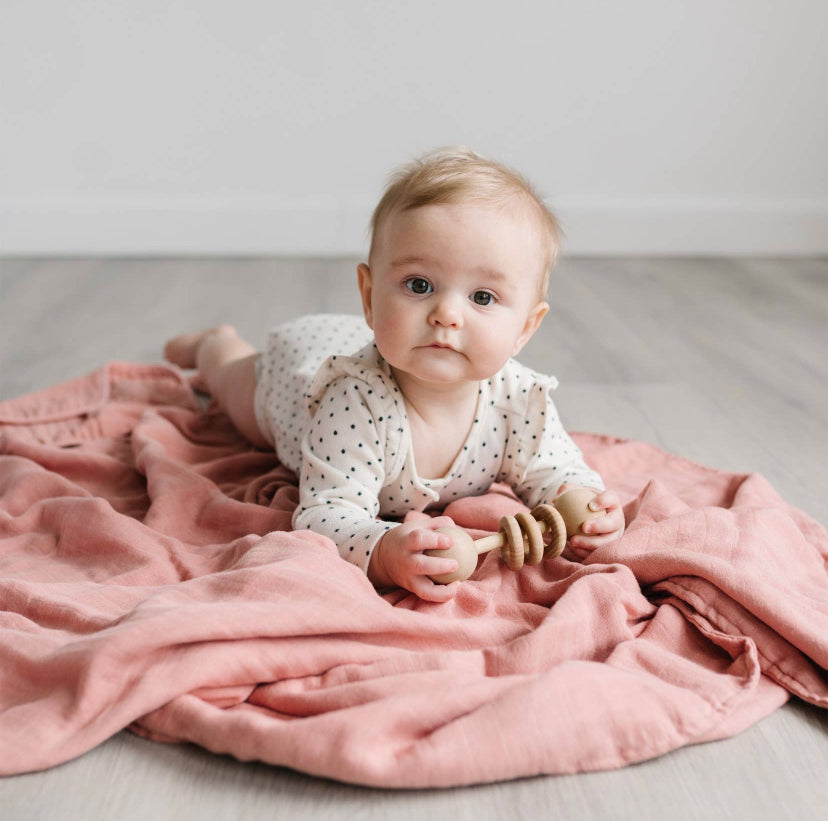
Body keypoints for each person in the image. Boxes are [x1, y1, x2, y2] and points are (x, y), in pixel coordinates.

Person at [165, 147, 625, 602]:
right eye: (419, 286)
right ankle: (213, 344)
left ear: (525, 327)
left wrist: (585, 506)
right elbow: (327, 510)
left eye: (482, 297)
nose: (446, 314)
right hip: (296, 372)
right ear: (369, 296)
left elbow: (556, 469)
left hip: (355, 340)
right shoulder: (355, 401)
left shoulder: (520, 399)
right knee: (234, 387)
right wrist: (382, 550)